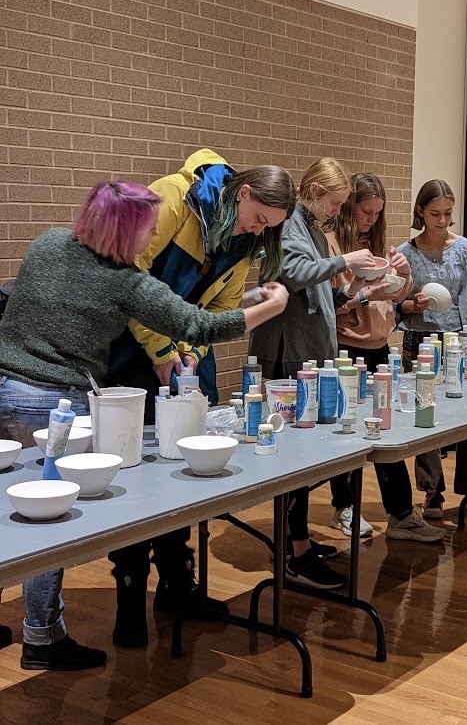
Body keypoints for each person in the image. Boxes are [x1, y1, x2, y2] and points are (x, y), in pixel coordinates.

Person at [0, 181, 290, 666]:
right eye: (149, 229)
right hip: (52, 403)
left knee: (9, 515)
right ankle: (41, 638)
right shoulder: (124, 281)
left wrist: (249, 294)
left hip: (4, 386)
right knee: (43, 526)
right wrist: (270, 307)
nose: (153, 237)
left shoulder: (47, 242)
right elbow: (199, 326)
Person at [103, 152, 296, 646]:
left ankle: (176, 583)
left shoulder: (243, 240)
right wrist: (163, 349)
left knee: (180, 477)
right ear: (243, 193)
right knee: (137, 478)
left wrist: (186, 353)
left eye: (268, 229)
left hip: (179, 364)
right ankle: (130, 597)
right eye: (258, 221)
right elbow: (126, 279)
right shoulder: (170, 198)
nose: (258, 233)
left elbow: (221, 310)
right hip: (125, 356)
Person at [250, 157, 383, 588]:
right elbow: (294, 275)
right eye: (334, 202)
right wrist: (345, 257)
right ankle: (297, 550)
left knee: (306, 455)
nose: (336, 212)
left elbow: (321, 294)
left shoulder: (310, 227)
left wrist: (360, 290)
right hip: (290, 353)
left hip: (309, 349)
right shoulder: (291, 224)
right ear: (313, 190)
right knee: (296, 456)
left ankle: (298, 543)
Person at [325, 173, 444, 544]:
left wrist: (405, 278)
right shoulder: (332, 245)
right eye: (365, 211)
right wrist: (363, 289)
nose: (371, 219)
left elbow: (394, 295)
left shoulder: (377, 241)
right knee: (346, 432)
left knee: (387, 430)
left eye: (378, 213)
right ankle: (345, 506)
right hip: (345, 348)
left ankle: (402, 515)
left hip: (379, 346)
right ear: (348, 208)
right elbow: (333, 301)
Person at [397, 179, 467, 520]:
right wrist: (413, 302)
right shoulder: (405, 254)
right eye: (435, 213)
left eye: (448, 214)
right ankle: (431, 492)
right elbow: (396, 304)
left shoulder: (466, 250)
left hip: (461, 338)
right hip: (421, 340)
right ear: (420, 212)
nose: (442, 220)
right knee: (426, 416)